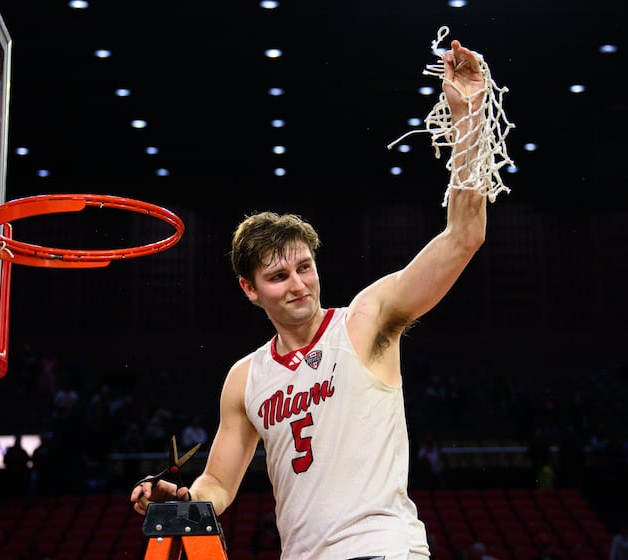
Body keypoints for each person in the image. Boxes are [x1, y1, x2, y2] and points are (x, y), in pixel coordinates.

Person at [132, 34, 510, 559]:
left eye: (304, 267)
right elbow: (218, 485)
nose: (298, 284)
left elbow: (464, 236)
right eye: (278, 276)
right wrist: (183, 500)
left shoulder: (367, 320)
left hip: (385, 548)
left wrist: (467, 118)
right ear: (249, 289)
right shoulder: (245, 378)